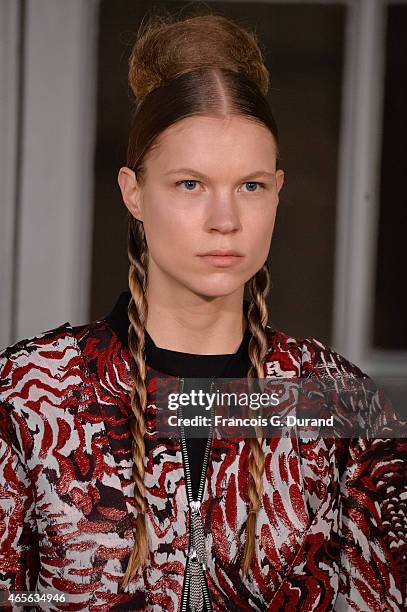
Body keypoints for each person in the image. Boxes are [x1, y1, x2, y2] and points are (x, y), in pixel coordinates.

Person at [0, 10, 406, 612]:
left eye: (251, 185)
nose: (226, 220)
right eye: (190, 184)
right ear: (133, 192)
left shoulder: (340, 403)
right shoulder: (32, 394)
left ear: (278, 191)